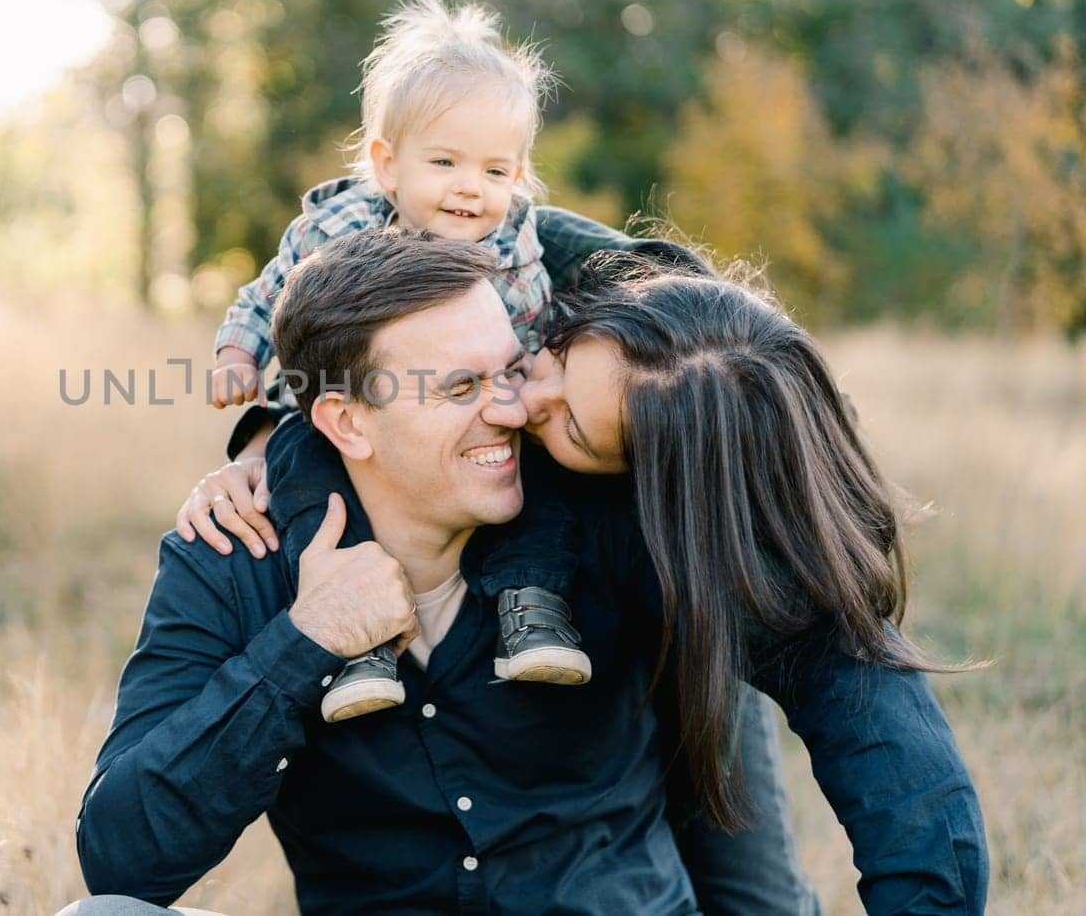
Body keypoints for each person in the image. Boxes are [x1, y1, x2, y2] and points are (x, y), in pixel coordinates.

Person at [73, 228, 986, 914]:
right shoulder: (241, 550)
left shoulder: (613, 519)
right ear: (346, 423)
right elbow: (122, 857)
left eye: (509, 369)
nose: (515, 409)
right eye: (462, 389)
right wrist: (302, 645)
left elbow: (859, 693)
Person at [206, 0, 591, 722]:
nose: (469, 188)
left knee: (540, 488)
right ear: (388, 165)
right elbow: (267, 294)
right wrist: (236, 354)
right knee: (309, 490)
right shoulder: (340, 227)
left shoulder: (516, 241)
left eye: (496, 170)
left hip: (482, 416)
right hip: (340, 415)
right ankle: (361, 642)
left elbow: (548, 321)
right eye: (444, 161)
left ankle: (534, 606)